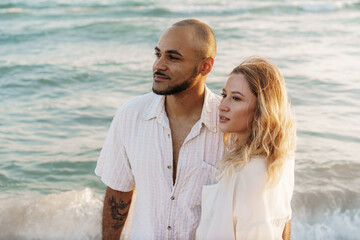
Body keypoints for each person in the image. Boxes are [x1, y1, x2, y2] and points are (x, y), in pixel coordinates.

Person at [95, 19, 224, 239]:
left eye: (173, 57)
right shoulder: (131, 115)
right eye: (158, 54)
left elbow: (267, 205)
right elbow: (118, 195)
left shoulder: (230, 124)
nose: (158, 65)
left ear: (205, 66)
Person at [196, 56, 296, 240]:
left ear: (262, 108)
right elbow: (283, 226)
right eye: (224, 95)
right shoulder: (280, 160)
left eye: (236, 98)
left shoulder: (248, 172)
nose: (222, 105)